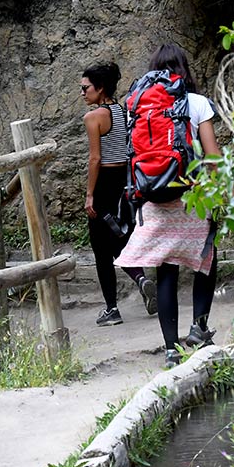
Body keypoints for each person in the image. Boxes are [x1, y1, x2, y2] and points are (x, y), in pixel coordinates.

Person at [114, 43, 222, 368]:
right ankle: (199, 328)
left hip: (154, 195)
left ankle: (171, 350)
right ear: (184, 69)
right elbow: (213, 155)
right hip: (192, 194)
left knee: (166, 270)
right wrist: (217, 192)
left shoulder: (140, 106)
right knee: (206, 259)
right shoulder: (198, 104)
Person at [80, 61, 157, 326]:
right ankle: (141, 278)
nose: (83, 93)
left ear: (100, 88)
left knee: (101, 249)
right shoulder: (123, 112)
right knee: (119, 237)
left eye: (86, 87)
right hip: (124, 182)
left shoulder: (93, 118)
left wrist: (90, 195)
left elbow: (94, 159)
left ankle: (112, 309)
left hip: (103, 182)